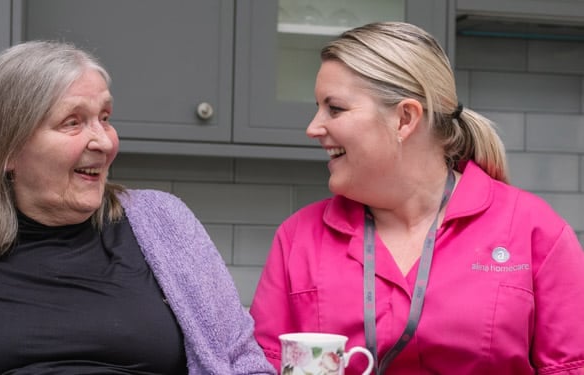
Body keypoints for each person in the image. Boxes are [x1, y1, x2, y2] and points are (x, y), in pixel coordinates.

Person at [0, 40, 275, 375]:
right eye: (73, 122)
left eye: (104, 117)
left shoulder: (165, 222)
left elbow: (241, 362)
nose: (103, 141)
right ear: (7, 150)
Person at [250, 21, 584, 374]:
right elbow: (259, 368)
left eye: (335, 109)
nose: (313, 127)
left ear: (405, 118)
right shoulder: (298, 239)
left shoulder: (533, 231)